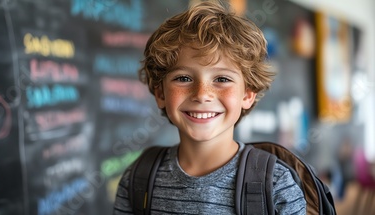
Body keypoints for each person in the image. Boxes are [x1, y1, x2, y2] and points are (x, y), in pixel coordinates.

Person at [113, 1, 306, 214]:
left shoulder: (276, 186)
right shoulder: (139, 178)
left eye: (222, 78)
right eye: (183, 78)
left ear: (247, 94)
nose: (202, 94)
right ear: (160, 94)